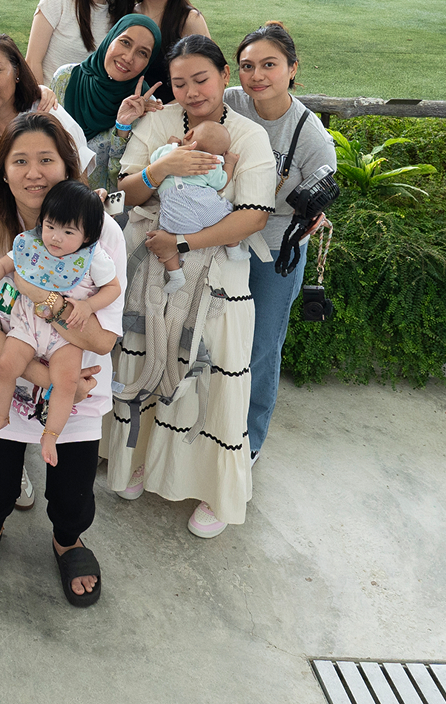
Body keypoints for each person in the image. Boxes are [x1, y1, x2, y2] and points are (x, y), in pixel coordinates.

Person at [0, 113, 123, 605]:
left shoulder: (102, 235)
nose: (33, 173)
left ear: (68, 165)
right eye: (20, 161)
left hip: (76, 381)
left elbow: (102, 341)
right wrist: (46, 378)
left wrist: (46, 301)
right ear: (2, 171)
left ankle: (67, 539)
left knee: (73, 494)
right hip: (11, 374)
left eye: (46, 159)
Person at [110, 36, 274, 538]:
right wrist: (162, 169)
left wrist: (182, 242)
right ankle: (139, 458)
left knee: (213, 369)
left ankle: (214, 487)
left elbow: (253, 216)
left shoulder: (248, 135)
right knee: (148, 353)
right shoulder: (158, 123)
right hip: (151, 260)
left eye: (201, 79)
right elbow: (124, 192)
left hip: (216, 263)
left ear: (224, 75)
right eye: (179, 83)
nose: (191, 91)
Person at [227, 22, 337, 461]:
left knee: (261, 346)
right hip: (223, 240)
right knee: (218, 338)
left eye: (269, 65)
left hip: (275, 253)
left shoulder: (311, 136)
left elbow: (319, 195)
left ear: (292, 68)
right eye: (247, 66)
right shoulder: (231, 103)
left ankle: (248, 440)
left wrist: (313, 215)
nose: (256, 76)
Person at [0, 180, 121, 468]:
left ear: (88, 236)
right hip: (27, 325)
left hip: (67, 337)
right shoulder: (31, 244)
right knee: (6, 365)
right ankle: (0, 416)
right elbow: (2, 266)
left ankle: (50, 435)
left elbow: (113, 288)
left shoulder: (94, 257)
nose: (56, 238)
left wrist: (88, 306)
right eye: (50, 226)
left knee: (66, 383)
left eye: (68, 232)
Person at [0, 33, 91, 204]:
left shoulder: (50, 113)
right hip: (0, 219)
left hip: (63, 215)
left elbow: (79, 188)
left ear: (17, 72)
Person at [48, 14, 165, 195]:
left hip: (105, 207)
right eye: (125, 42)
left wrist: (122, 128)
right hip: (54, 198)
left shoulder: (145, 107)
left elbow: (123, 181)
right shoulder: (65, 78)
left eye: (142, 53)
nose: (128, 57)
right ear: (111, 38)